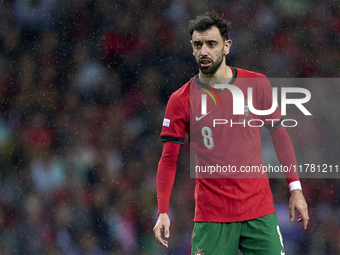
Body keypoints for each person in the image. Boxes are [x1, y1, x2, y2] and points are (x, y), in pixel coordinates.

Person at [153, 11, 309, 255]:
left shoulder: (256, 84)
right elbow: (169, 158)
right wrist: (163, 210)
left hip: (259, 212)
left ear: (227, 47)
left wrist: (295, 189)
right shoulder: (180, 99)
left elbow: (279, 136)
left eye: (211, 44)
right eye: (198, 45)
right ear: (192, 48)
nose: (204, 51)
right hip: (211, 217)